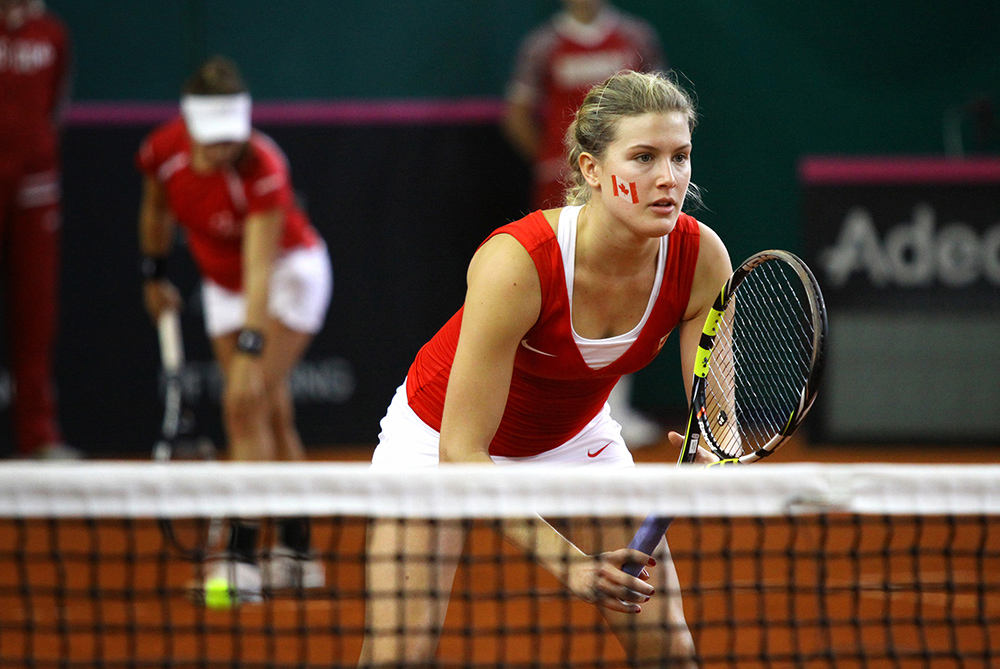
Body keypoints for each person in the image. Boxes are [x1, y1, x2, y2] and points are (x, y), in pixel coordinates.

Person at [360, 70, 730, 668]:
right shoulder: (518, 262)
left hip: (574, 437)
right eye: (643, 157)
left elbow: (712, 409)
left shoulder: (701, 258)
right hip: (439, 439)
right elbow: (462, 452)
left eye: (680, 156)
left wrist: (714, 442)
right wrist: (575, 567)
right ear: (590, 170)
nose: (668, 178)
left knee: (669, 651)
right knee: (396, 657)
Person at [136, 56, 333, 602]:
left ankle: (243, 558)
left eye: (232, 137)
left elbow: (258, 267)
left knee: (243, 403)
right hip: (222, 284)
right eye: (213, 139)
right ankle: (296, 551)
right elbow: (155, 210)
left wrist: (252, 341)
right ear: (189, 125)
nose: (224, 149)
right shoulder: (163, 152)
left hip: (287, 276)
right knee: (266, 409)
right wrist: (153, 271)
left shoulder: (262, 164)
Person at [502, 0, 668, 449]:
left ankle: (613, 412)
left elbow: (661, 108)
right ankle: (545, 410)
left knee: (622, 283)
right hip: (559, 184)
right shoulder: (542, 46)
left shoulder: (636, 37)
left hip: (624, 186)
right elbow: (516, 111)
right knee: (559, 287)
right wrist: (553, 161)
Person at [0, 0, 77, 460]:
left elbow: (56, 109)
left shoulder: (52, 33)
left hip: (35, 188)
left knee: (36, 311)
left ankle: (38, 434)